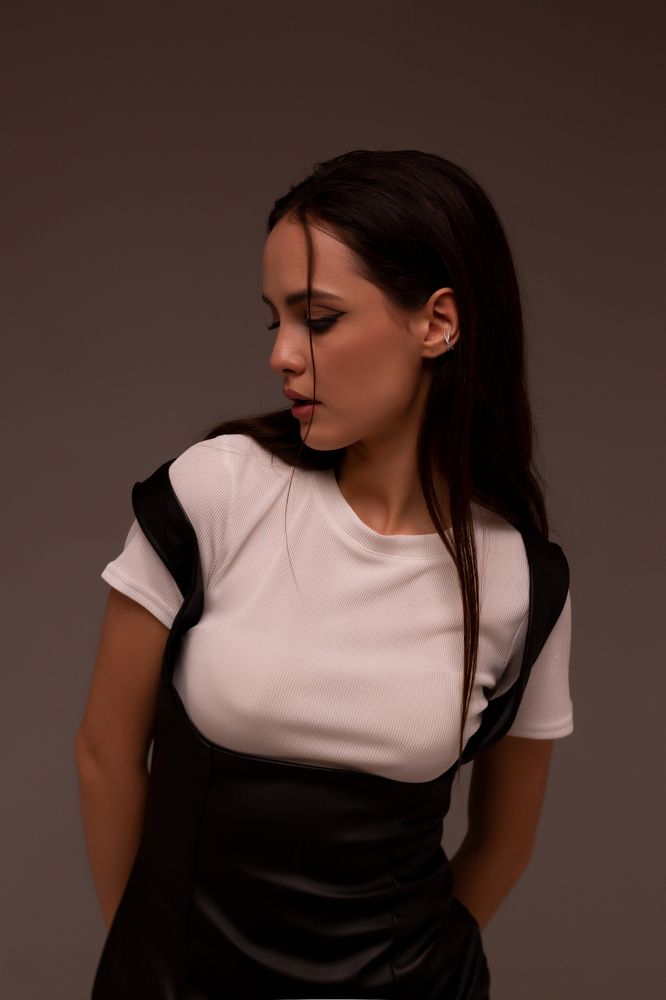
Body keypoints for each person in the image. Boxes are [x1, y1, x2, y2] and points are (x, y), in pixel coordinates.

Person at [75, 148, 573, 999]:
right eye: (274, 320)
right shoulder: (215, 492)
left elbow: (503, 844)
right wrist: (145, 970)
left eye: (318, 318)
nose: (282, 355)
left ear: (438, 323)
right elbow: (104, 756)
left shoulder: (522, 581)